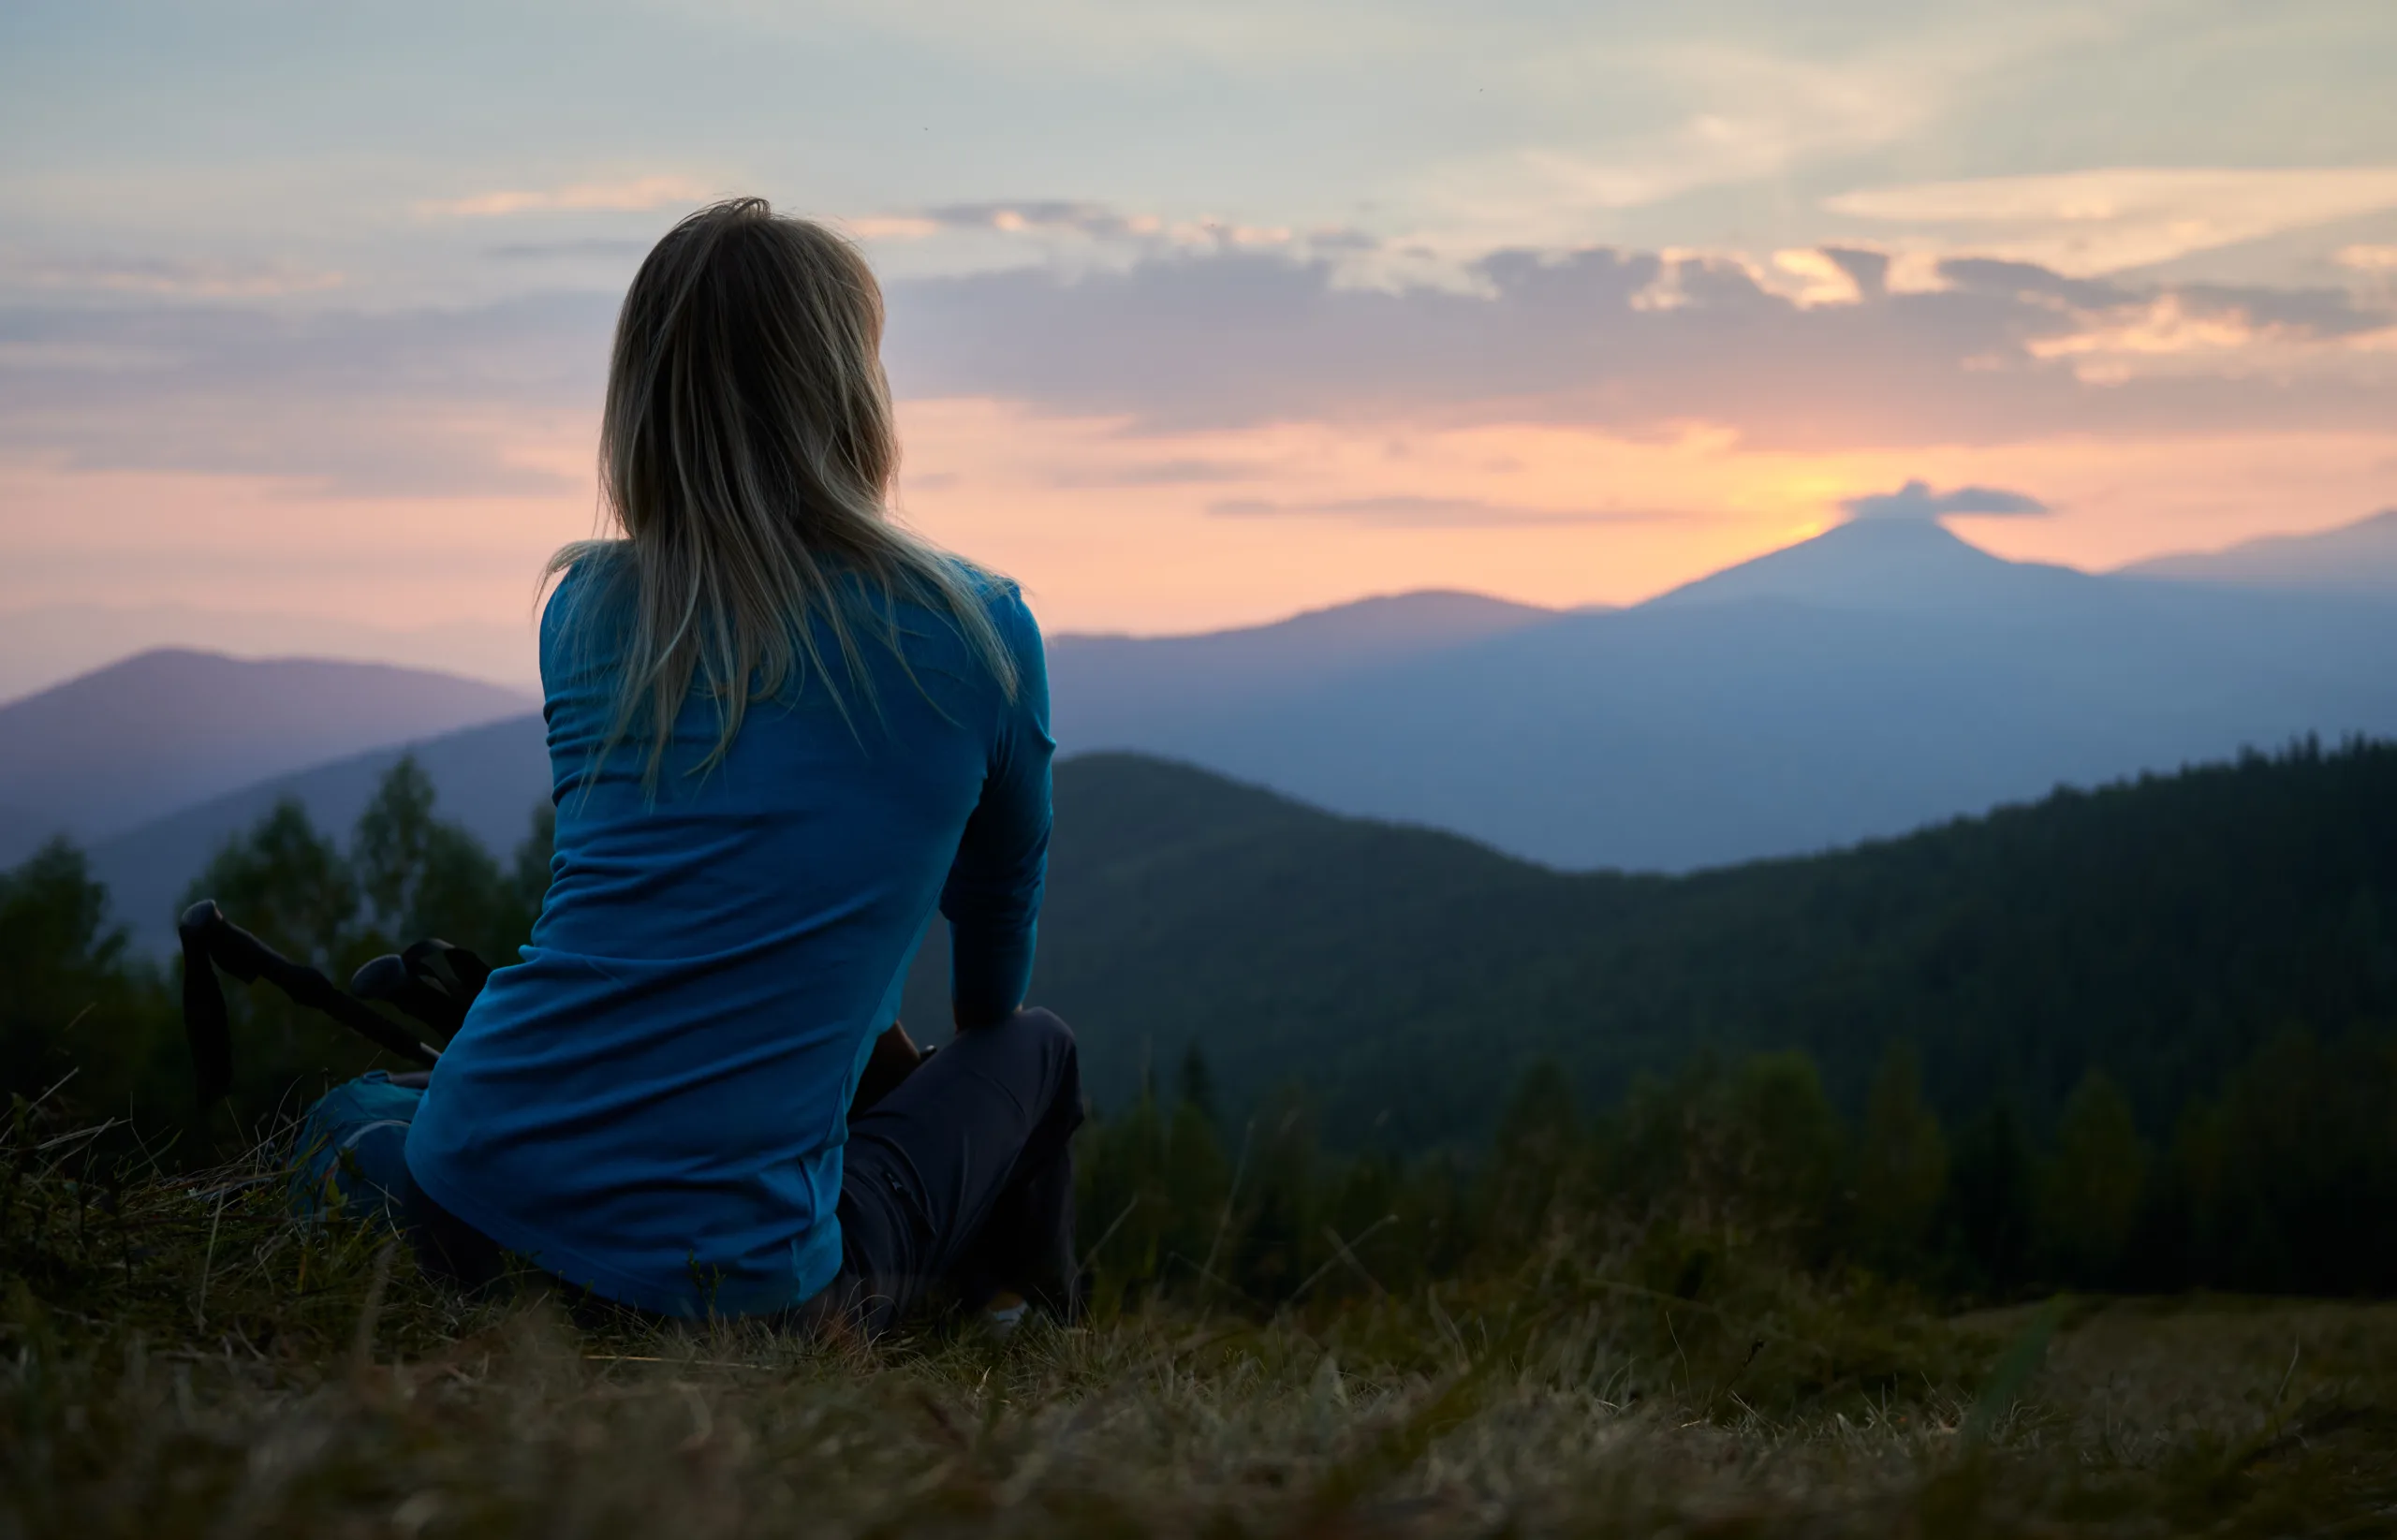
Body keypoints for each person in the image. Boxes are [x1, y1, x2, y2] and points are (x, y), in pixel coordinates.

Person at [296, 198, 1079, 1332]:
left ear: (644, 395)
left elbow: (662, 896)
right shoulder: (980, 631)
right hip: (732, 1290)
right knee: (1034, 1049)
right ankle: (1016, 1323)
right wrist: (888, 1049)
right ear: (850, 394)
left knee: (381, 1107)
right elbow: (990, 973)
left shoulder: (589, 609)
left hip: (465, 1202)